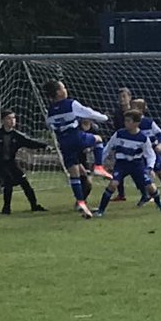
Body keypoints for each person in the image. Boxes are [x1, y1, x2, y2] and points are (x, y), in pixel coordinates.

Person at [43, 80, 111, 218]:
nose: (66, 89)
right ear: (59, 92)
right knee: (98, 139)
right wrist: (104, 118)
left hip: (64, 143)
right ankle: (98, 166)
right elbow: (89, 113)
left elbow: (50, 125)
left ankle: (82, 204)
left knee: (75, 175)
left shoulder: (50, 111)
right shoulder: (71, 104)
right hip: (75, 137)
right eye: (63, 87)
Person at [0, 110, 49, 215]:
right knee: (8, 183)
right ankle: (6, 208)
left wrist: (45, 145)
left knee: (24, 181)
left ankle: (34, 206)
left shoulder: (17, 135)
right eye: (9, 118)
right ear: (3, 121)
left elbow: (30, 142)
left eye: (13, 118)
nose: (12, 121)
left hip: (11, 163)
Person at [95, 110, 161, 217]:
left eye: (128, 121)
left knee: (150, 187)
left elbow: (150, 155)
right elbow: (108, 148)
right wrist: (99, 163)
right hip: (121, 164)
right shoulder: (119, 134)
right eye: (125, 121)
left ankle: (159, 202)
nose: (126, 123)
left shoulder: (143, 138)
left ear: (136, 123)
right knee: (113, 184)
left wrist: (149, 168)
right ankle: (101, 210)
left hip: (137, 165)